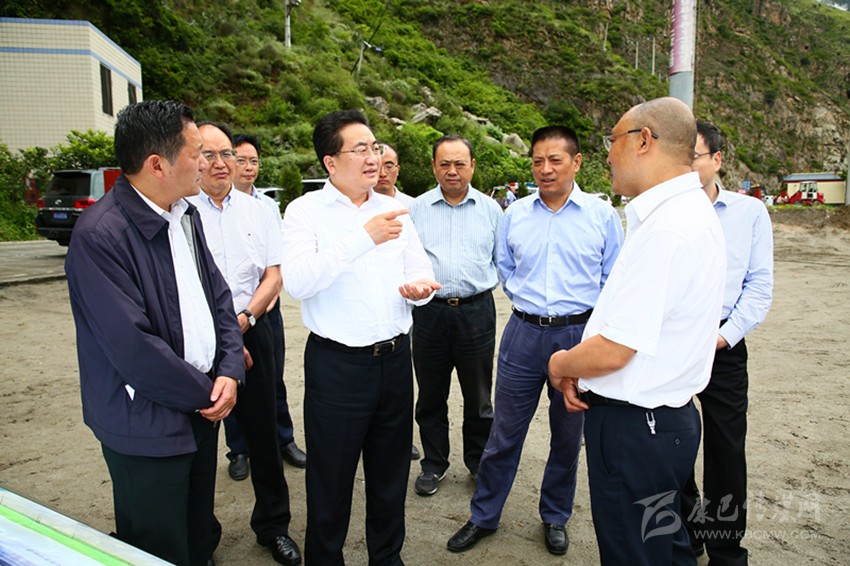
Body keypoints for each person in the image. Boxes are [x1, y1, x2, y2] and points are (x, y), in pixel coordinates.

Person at [548, 97, 727, 565]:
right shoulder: (685, 212)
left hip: (636, 428)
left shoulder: (668, 228)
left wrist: (561, 363)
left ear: (643, 140)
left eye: (613, 140)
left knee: (635, 553)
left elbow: (615, 350)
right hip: (663, 423)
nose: (608, 154)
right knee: (665, 547)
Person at [65, 100, 244, 566]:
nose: (207, 163)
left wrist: (229, 369)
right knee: (157, 546)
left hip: (203, 408)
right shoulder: (100, 235)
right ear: (157, 164)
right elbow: (134, 349)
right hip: (146, 423)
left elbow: (218, 297)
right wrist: (210, 393)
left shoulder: (183, 213)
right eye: (197, 153)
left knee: (197, 531)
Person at [447, 126, 623, 555]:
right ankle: (483, 515)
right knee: (504, 432)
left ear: (576, 162)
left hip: (578, 336)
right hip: (523, 334)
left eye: (555, 160)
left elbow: (613, 279)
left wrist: (584, 327)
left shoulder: (601, 216)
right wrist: (532, 307)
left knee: (567, 434)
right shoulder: (516, 214)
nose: (545, 169)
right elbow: (505, 268)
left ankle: (555, 515)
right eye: (538, 161)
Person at [280, 109, 440, 565]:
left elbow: (419, 267)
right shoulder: (304, 211)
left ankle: (386, 558)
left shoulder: (393, 207)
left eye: (375, 147)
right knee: (330, 479)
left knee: (390, 475)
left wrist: (420, 289)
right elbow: (298, 282)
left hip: (395, 360)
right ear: (331, 162)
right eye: (360, 149)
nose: (373, 157)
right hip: (338, 367)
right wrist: (361, 239)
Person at [187, 122, 300, 566]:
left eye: (227, 154)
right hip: (199, 337)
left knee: (265, 435)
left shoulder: (261, 210)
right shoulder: (180, 212)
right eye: (209, 154)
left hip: (254, 325)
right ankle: (201, 540)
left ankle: (273, 527)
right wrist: (223, 335)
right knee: (198, 442)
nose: (220, 163)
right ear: (193, 158)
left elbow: (274, 274)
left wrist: (246, 319)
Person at [681, 121, 774, 564]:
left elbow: (759, 287)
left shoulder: (749, 213)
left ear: (716, 160)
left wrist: (722, 337)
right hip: (673, 342)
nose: (685, 166)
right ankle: (689, 531)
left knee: (725, 450)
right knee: (673, 443)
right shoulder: (663, 211)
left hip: (723, 344)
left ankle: (724, 550)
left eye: (694, 156)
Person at [408, 135, 502, 497]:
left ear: (472, 166)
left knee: (479, 395)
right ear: (433, 167)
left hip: (477, 311)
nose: (452, 171)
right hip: (429, 313)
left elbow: (503, 261)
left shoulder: (491, 210)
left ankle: (478, 461)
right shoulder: (417, 209)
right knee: (431, 394)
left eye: (460, 163)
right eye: (444, 164)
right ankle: (434, 463)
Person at [222, 133, 307, 481]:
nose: (248, 167)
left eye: (254, 161)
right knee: (230, 379)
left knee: (273, 379)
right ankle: (239, 450)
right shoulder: (206, 206)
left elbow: (278, 259)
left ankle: (283, 440)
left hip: (267, 308)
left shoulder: (267, 207)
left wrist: (268, 299)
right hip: (229, 313)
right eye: (241, 159)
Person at [376, 142, 422, 461]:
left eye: (389, 165)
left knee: (403, 381)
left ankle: (403, 439)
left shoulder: (414, 206)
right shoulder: (361, 206)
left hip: (410, 304)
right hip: (374, 309)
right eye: (377, 164)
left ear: (398, 169)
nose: (382, 171)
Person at [374, 142, 415, 207]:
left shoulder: (413, 206)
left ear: (397, 170)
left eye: (389, 167)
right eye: (376, 167)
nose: (382, 174)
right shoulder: (357, 206)